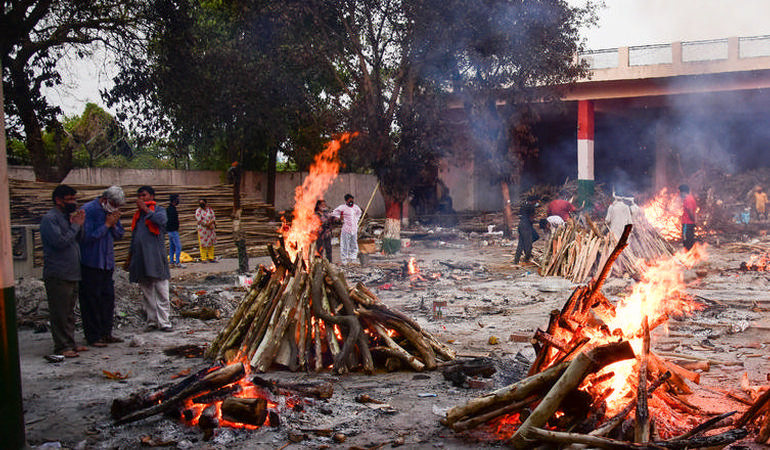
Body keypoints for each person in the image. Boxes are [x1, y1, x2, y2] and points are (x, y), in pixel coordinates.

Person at [40, 184, 88, 358]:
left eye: (74, 199)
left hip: (72, 271)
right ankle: (61, 346)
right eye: (69, 199)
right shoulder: (50, 219)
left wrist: (79, 225)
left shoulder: (68, 218)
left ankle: (71, 343)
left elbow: (79, 240)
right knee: (59, 311)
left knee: (69, 311)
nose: (73, 203)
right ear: (58, 200)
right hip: (58, 272)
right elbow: (59, 242)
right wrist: (75, 226)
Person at [78, 185, 126, 348]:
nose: (115, 208)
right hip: (91, 262)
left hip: (107, 263)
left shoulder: (112, 213)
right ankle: (93, 336)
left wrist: (113, 224)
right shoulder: (88, 210)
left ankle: (106, 333)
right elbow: (86, 238)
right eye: (113, 203)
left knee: (107, 299)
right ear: (105, 200)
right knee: (91, 301)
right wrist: (106, 224)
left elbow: (120, 234)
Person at [128, 186, 173, 331]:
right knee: (147, 292)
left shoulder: (158, 210)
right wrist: (130, 257)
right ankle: (152, 321)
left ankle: (165, 322)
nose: (141, 198)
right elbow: (134, 237)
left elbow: (161, 221)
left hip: (155, 258)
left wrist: (146, 210)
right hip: (140, 258)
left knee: (162, 291)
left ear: (152, 196)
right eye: (139, 196)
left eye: (144, 195)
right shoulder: (137, 216)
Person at [332, 194, 362, 265]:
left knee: (354, 244)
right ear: (346, 200)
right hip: (346, 229)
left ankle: (353, 258)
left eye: (352, 200)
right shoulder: (342, 207)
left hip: (354, 229)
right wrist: (339, 218)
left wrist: (356, 220)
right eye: (349, 200)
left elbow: (359, 213)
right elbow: (335, 212)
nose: (351, 201)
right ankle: (344, 259)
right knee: (345, 245)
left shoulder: (356, 207)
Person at [514, 195, 540, 265]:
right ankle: (526, 260)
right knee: (528, 244)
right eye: (536, 201)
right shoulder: (531, 207)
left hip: (521, 225)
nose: (537, 202)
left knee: (521, 243)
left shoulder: (523, 206)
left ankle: (516, 260)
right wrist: (535, 221)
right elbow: (531, 217)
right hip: (527, 226)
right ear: (534, 201)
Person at [195, 198, 217, 263]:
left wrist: (211, 223)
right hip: (202, 229)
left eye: (202, 202)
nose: (201, 204)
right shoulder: (198, 211)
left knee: (211, 243)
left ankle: (211, 257)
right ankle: (203, 258)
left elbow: (213, 217)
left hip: (210, 229)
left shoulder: (209, 210)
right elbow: (199, 220)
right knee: (203, 244)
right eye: (200, 202)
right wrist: (207, 224)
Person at [167, 194, 184, 268]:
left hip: (169, 231)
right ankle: (177, 262)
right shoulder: (172, 210)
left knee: (172, 246)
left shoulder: (168, 209)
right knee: (178, 246)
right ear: (174, 200)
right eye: (177, 199)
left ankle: (171, 261)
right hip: (173, 231)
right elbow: (172, 221)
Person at [679, 184, 697, 251]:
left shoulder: (688, 200)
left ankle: (689, 255)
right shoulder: (691, 198)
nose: (679, 194)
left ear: (683, 192)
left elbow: (690, 212)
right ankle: (691, 255)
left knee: (686, 240)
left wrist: (693, 220)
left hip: (687, 223)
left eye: (680, 192)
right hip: (689, 223)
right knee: (690, 240)